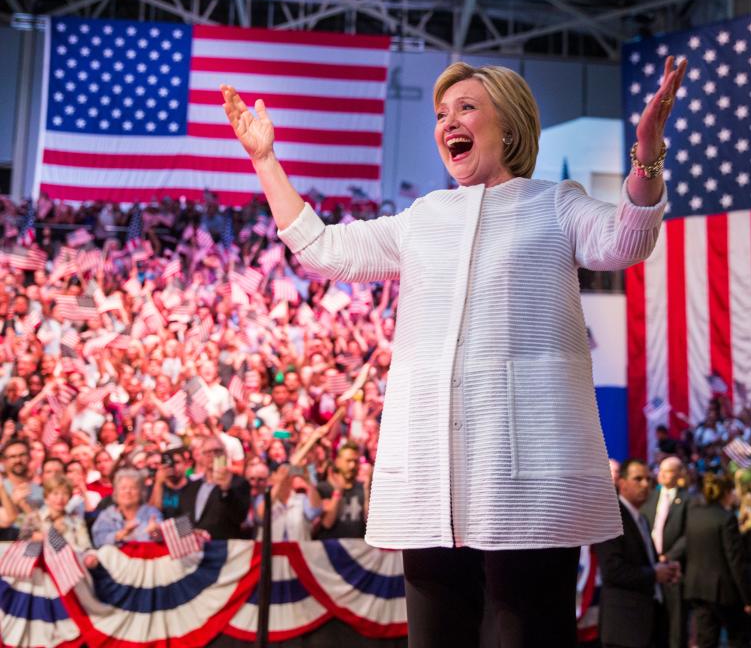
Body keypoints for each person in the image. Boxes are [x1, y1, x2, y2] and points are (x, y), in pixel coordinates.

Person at [221, 51, 685, 647]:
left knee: (529, 634)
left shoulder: (556, 203)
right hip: (431, 478)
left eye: (467, 107)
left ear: (510, 126)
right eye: (442, 113)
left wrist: (647, 152)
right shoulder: (422, 218)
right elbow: (324, 250)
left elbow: (628, 238)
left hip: (527, 480)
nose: (449, 122)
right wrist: (266, 161)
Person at [594, 459, 680, 648]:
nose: (645, 484)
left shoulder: (641, 518)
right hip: (624, 627)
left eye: (648, 479)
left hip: (646, 622)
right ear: (622, 483)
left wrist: (665, 569)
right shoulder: (612, 517)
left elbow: (643, 563)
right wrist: (654, 573)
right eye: (638, 479)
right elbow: (612, 570)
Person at [684, 473, 751, 648]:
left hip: (697, 588)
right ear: (726, 493)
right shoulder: (726, 518)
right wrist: (748, 598)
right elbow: (735, 561)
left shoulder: (693, 516)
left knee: (705, 641)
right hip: (724, 592)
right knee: (738, 638)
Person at [642, 456, 689, 648]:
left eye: (668, 470)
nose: (661, 474)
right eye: (660, 469)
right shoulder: (649, 496)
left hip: (673, 568)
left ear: (678, 474)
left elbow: (688, 535)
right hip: (650, 566)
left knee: (675, 622)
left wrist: (668, 556)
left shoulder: (688, 500)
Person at [178, 436, 250, 539]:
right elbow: (183, 517)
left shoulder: (239, 483)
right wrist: (190, 534)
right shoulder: (191, 486)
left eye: (217, 451)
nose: (212, 455)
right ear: (200, 457)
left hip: (223, 548)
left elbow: (239, 517)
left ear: (225, 454)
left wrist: (226, 491)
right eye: (208, 452)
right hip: (194, 549)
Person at [20, 475, 98, 567]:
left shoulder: (76, 521)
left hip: (70, 567)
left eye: (65, 493)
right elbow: (21, 543)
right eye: (55, 493)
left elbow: (85, 547)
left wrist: (90, 557)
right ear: (46, 497)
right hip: (41, 568)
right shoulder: (34, 518)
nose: (60, 498)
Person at [91, 468, 164, 547]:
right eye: (123, 488)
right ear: (116, 492)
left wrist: (155, 533)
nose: (128, 491)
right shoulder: (107, 515)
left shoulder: (151, 512)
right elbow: (98, 541)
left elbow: (160, 536)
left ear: (141, 492)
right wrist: (123, 533)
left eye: (133, 488)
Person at [314, 440, 368, 539]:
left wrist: (367, 490)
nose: (352, 466)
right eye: (348, 461)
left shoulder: (363, 488)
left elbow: (369, 522)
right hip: (330, 550)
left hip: (359, 551)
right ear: (338, 461)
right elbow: (327, 523)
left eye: (355, 461)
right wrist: (338, 492)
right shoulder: (323, 488)